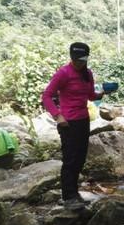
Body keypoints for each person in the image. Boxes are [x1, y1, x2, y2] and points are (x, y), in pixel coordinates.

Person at [42, 42, 111, 210]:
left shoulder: (87, 73)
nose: (78, 63)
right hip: (67, 122)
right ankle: (68, 196)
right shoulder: (63, 73)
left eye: (81, 60)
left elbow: (90, 96)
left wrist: (101, 94)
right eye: (75, 60)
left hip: (83, 120)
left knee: (80, 157)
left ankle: (74, 193)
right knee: (70, 159)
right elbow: (47, 96)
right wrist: (57, 116)